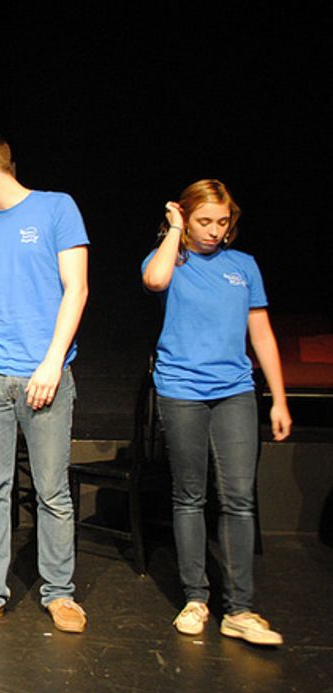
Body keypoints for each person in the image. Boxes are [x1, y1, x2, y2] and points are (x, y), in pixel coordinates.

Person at [0, 127, 90, 634]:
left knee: (52, 491)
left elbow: (76, 289)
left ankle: (59, 593)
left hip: (43, 372)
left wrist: (52, 363)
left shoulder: (56, 208)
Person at [142, 179, 291, 646]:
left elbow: (262, 334)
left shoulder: (243, 266)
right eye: (203, 221)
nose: (214, 231)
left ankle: (240, 609)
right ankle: (195, 598)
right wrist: (173, 231)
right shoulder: (171, 258)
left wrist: (279, 398)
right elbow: (154, 281)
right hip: (182, 389)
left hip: (235, 392)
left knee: (240, 498)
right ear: (186, 218)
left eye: (222, 222)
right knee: (190, 496)